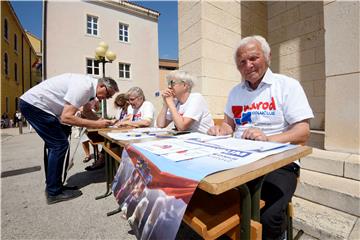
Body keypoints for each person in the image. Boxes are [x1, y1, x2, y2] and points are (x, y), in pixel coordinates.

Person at [208, 35, 314, 240]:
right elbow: (228, 125)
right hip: (237, 159)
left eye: (253, 58)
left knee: (268, 216)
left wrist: (268, 138)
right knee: (214, 203)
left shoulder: (287, 85)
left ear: (267, 57)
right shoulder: (235, 92)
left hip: (279, 163)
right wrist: (220, 130)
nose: (248, 65)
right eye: (242, 62)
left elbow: (303, 132)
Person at [19, 73, 119, 204]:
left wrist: (103, 121)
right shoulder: (84, 87)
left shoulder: (89, 90)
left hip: (37, 106)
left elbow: (87, 112)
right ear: (101, 86)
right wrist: (97, 124)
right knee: (59, 145)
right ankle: (53, 192)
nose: (108, 98)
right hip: (35, 105)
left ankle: (54, 185)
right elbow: (66, 117)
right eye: (108, 94)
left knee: (57, 145)